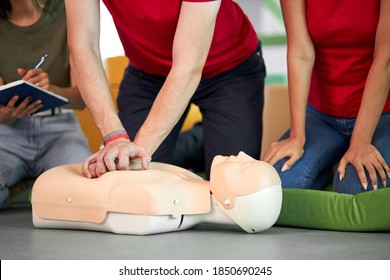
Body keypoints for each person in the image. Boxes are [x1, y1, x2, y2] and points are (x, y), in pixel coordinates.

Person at [64, 0, 266, 179]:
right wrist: (115, 138)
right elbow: (83, 44)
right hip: (149, 74)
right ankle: (193, 143)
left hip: (228, 69)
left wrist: (136, 151)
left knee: (233, 190)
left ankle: (203, 140)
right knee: (129, 184)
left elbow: (188, 66)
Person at [262, 0, 390, 194]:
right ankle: (328, 164)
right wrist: (297, 136)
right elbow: (300, 53)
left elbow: (385, 59)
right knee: (275, 185)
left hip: (382, 115)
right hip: (322, 116)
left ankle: (337, 159)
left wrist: (361, 142)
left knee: (355, 188)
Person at [31, 152, 282, 235]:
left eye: (245, 165)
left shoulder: (167, 197)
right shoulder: (188, 182)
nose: (242, 155)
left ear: (231, 201)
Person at [0, 0, 92, 209]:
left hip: (60, 130)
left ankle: (28, 187)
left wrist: (49, 90)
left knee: (87, 192)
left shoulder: (68, 10)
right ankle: (25, 188)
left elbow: (81, 100)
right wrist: (6, 115)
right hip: (7, 133)